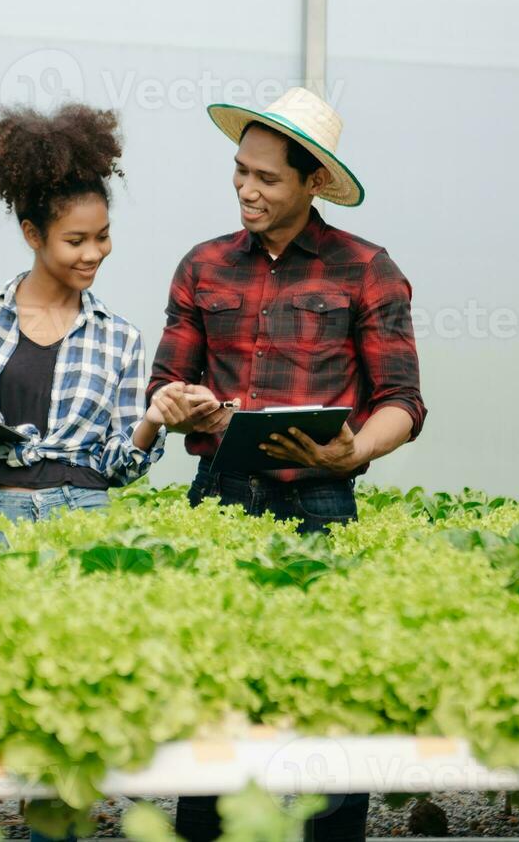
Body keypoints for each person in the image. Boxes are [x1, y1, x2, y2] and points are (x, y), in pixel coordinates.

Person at [0, 102, 207, 842]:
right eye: (75, 239)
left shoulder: (119, 339)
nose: (93, 254)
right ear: (32, 233)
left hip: (81, 523)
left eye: (104, 238)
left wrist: (152, 419)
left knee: (67, 715)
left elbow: (116, 465)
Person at [148, 86, 428, 842]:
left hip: (320, 503)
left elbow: (403, 402)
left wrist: (355, 449)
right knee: (213, 684)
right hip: (220, 493)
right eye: (240, 171)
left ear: (313, 183)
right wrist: (181, 404)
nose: (247, 189)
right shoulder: (202, 266)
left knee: (328, 689)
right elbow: (162, 384)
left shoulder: (367, 268)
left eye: (267, 179)